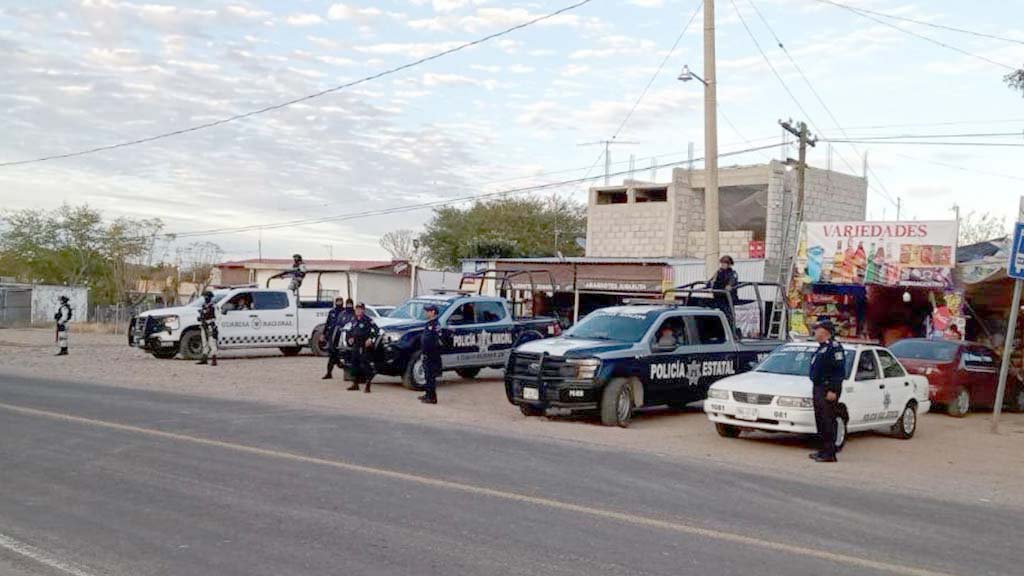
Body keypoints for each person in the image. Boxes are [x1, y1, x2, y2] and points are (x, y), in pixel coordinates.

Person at [808, 318, 845, 463]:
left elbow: (839, 371)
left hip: (828, 389)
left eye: (817, 329)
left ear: (825, 331)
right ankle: (822, 450)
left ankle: (830, 453)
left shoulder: (834, 347)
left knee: (828, 420)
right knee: (821, 420)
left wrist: (833, 390)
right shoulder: (821, 347)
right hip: (818, 387)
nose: (815, 331)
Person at [345, 303, 379, 393]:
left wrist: (370, 339)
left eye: (360, 309)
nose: (358, 311)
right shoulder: (353, 319)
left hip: (364, 345)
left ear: (363, 310)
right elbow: (349, 330)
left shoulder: (368, 320)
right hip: (356, 344)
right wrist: (350, 338)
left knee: (365, 364)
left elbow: (376, 330)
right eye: (357, 309)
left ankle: (368, 384)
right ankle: (355, 383)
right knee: (354, 363)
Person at [418, 304, 443, 404]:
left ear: (433, 312)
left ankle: (432, 397)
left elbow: (437, 341)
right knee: (427, 375)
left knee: (430, 376)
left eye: (428, 311)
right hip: (427, 353)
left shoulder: (435, 324)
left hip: (432, 354)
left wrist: (430, 351)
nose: (426, 313)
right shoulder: (429, 323)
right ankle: (428, 394)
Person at [322, 297, 348, 380]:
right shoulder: (332, 312)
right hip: (331, 335)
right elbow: (327, 323)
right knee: (332, 353)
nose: (339, 303)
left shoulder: (345, 312)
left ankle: (339, 365)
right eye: (338, 301)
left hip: (340, 336)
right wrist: (323, 334)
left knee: (336, 354)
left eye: (340, 301)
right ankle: (330, 372)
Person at [709, 255, 739, 325]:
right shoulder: (718, 272)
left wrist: (729, 286)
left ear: (729, 264)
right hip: (718, 298)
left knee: (728, 317)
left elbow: (731, 283)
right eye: (722, 262)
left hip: (727, 300)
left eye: (725, 263)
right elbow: (710, 282)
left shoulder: (732, 273)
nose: (722, 264)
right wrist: (711, 283)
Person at [197, 291, 219, 366]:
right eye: (204, 297)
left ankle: (214, 359)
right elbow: (202, 315)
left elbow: (217, 317)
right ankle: (204, 358)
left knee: (212, 342)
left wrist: (214, 325)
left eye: (207, 297)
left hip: (210, 326)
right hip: (204, 326)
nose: (205, 298)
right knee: (204, 342)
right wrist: (200, 318)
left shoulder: (213, 306)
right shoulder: (204, 306)